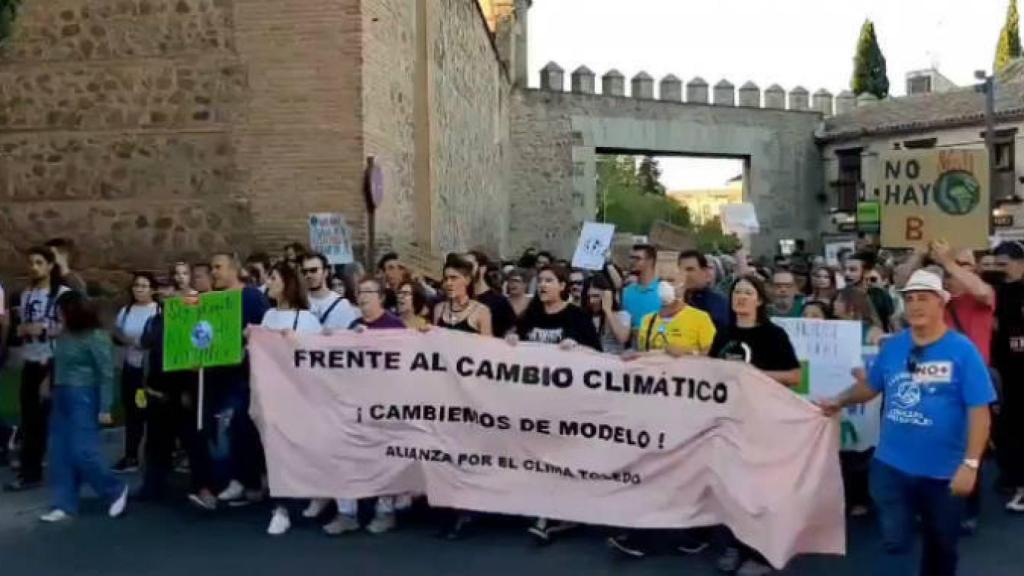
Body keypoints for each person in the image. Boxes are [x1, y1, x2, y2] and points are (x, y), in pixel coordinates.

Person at [817, 269, 994, 576]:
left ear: (941, 303)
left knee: (941, 546)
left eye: (923, 298)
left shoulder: (963, 351)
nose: (915, 305)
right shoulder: (894, 347)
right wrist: (839, 400)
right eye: (909, 299)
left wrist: (971, 464)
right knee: (895, 543)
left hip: (944, 473)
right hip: (891, 468)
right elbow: (872, 386)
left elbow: (980, 412)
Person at [706, 275, 801, 575]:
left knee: (759, 490)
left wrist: (753, 374)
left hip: (762, 422)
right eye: (737, 292)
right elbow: (712, 370)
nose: (741, 297)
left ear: (759, 300)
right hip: (728, 419)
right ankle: (735, 545)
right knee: (730, 487)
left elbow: (795, 377)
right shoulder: (723, 333)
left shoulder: (773, 335)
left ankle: (760, 553)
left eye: (748, 292)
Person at [512, 265, 601, 543]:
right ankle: (544, 509)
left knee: (560, 457)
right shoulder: (532, 316)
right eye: (540, 281)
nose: (543, 286)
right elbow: (515, 344)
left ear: (563, 286)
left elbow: (598, 356)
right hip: (534, 402)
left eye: (549, 281)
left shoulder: (577, 317)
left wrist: (578, 348)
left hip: (566, 403)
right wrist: (511, 340)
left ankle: (553, 513)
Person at [323, 277, 406, 537]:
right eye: (359, 292)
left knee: (383, 459)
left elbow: (404, 363)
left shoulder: (395, 326)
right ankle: (347, 513)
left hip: (384, 404)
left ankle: (385, 511)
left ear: (381, 297)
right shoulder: (354, 325)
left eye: (369, 292)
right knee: (344, 455)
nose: (363, 296)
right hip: (354, 404)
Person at [37, 291, 129, 523]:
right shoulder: (65, 335)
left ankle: (114, 489)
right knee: (60, 451)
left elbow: (106, 373)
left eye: (61, 312)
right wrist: (49, 382)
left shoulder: (96, 336)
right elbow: (59, 361)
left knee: (83, 451)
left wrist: (105, 406)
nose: (58, 316)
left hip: (84, 395)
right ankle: (64, 503)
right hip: (62, 394)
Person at [259, 263, 324, 536]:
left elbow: (319, 358)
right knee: (275, 452)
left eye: (272, 278)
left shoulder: (307, 319)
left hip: (298, 394)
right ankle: (281, 508)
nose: (268, 282)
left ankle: (313, 494)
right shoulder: (268, 316)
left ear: (287, 283)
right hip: (270, 392)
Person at [204, 253, 270, 508]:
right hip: (218, 376)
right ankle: (237, 479)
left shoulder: (251, 297)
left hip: (245, 377)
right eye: (212, 268)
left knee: (238, 426)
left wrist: (247, 345)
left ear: (234, 270)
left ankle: (247, 481)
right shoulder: (214, 300)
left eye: (218, 267)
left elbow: (265, 331)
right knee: (221, 428)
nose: (214, 272)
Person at [4, 247, 70, 492]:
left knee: (57, 419)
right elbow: (22, 325)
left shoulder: (63, 295)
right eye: (31, 262)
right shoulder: (26, 294)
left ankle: (68, 468)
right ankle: (30, 472)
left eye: (39, 262)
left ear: (51, 266)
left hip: (52, 361)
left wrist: (43, 330)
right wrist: (22, 332)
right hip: (31, 360)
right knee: (31, 419)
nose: (34, 267)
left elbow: (71, 330)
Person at [111, 272, 160, 473]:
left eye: (144, 285)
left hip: (150, 369)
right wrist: (124, 340)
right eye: (136, 286)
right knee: (133, 411)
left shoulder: (157, 310)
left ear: (152, 289)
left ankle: (155, 455)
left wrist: (142, 342)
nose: (139, 289)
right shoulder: (126, 310)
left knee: (152, 412)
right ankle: (131, 455)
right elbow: (117, 332)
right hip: (131, 367)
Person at [992, 241, 1024, 511]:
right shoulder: (997, 290)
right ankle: (1012, 476)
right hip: (1003, 369)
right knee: (1006, 427)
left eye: (1004, 264)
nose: (999, 270)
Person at [636, 279, 716, 356]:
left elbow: (711, 355)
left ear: (683, 285)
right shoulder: (647, 320)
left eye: (671, 280)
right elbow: (643, 353)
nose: (664, 286)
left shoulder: (700, 318)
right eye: (661, 281)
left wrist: (688, 352)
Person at [434, 257, 492, 337]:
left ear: (467, 280)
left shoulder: (481, 311)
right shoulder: (439, 309)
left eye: (454, 278)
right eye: (446, 279)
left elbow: (489, 345)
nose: (448, 283)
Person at [301, 253, 360, 331]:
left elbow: (352, 337)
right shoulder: (299, 303)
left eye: (313, 270)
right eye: (304, 272)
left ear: (325, 272)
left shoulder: (342, 305)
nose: (308, 275)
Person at [465, 251, 515, 337]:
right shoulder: (459, 298)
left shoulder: (499, 302)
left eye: (469, 265)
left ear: (482, 269)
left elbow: (512, 331)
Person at [678, 250, 730, 331]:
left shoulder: (720, 303)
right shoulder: (673, 302)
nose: (685, 274)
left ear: (705, 272)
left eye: (690, 269)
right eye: (682, 270)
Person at [847, 252, 895, 332]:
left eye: (853, 270)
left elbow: (892, 321)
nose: (847, 273)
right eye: (846, 269)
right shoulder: (842, 296)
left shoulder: (881, 295)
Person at [583, 275, 630, 354]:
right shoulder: (584, 316)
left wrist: (608, 310)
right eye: (589, 297)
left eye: (596, 296)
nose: (591, 301)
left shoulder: (621, 315)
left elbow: (623, 337)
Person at [622, 245, 661, 336]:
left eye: (637, 258)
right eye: (631, 258)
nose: (632, 262)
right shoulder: (627, 292)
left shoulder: (663, 291)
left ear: (650, 261)